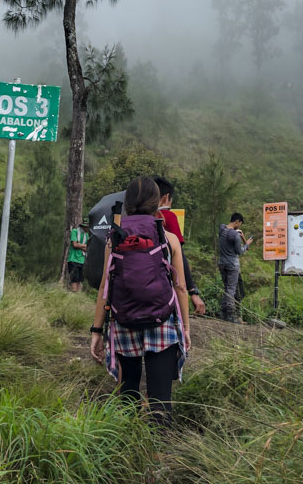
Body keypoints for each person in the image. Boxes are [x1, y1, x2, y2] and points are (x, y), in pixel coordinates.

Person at [91, 176, 190, 426]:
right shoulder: (169, 238)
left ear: (126, 203)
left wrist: (96, 331)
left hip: (123, 322)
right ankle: (157, 454)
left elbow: (105, 286)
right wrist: (186, 328)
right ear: (158, 203)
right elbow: (181, 288)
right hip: (163, 324)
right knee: (160, 401)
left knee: (129, 393)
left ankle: (128, 447)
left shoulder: (114, 239)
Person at [153, 176, 206, 316]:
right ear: (166, 198)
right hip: (164, 288)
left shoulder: (136, 220)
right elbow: (179, 256)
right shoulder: (168, 217)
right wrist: (192, 290)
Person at [218, 212, 252, 323]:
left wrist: (237, 233)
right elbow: (239, 251)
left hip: (222, 263)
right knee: (231, 289)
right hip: (232, 265)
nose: (239, 226)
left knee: (226, 287)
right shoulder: (235, 236)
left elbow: (227, 230)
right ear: (237, 222)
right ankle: (230, 316)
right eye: (240, 224)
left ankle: (223, 314)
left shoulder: (222, 229)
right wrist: (247, 244)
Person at [67, 219, 90, 292]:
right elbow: (75, 244)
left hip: (82, 260)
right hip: (73, 259)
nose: (88, 229)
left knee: (80, 279)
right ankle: (74, 294)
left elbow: (87, 249)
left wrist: (81, 245)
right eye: (87, 227)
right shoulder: (75, 231)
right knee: (74, 279)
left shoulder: (86, 235)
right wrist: (84, 246)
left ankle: (78, 296)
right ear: (84, 227)